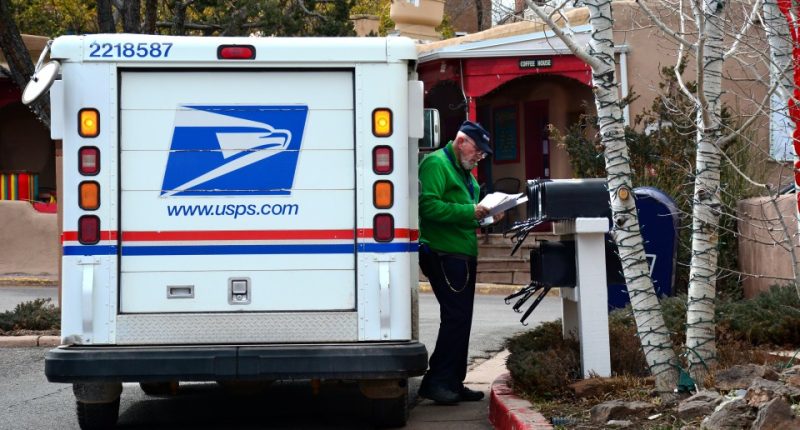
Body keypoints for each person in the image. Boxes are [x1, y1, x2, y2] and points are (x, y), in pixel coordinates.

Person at [417, 120, 503, 405]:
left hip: (460, 253)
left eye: (483, 153)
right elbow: (427, 206)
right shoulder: (436, 164)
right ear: (461, 140)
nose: (480, 156)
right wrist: (472, 211)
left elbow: (470, 213)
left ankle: (452, 381)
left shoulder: (463, 171)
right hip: (443, 253)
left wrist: (489, 215)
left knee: (460, 320)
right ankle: (438, 382)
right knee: (455, 319)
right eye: (478, 150)